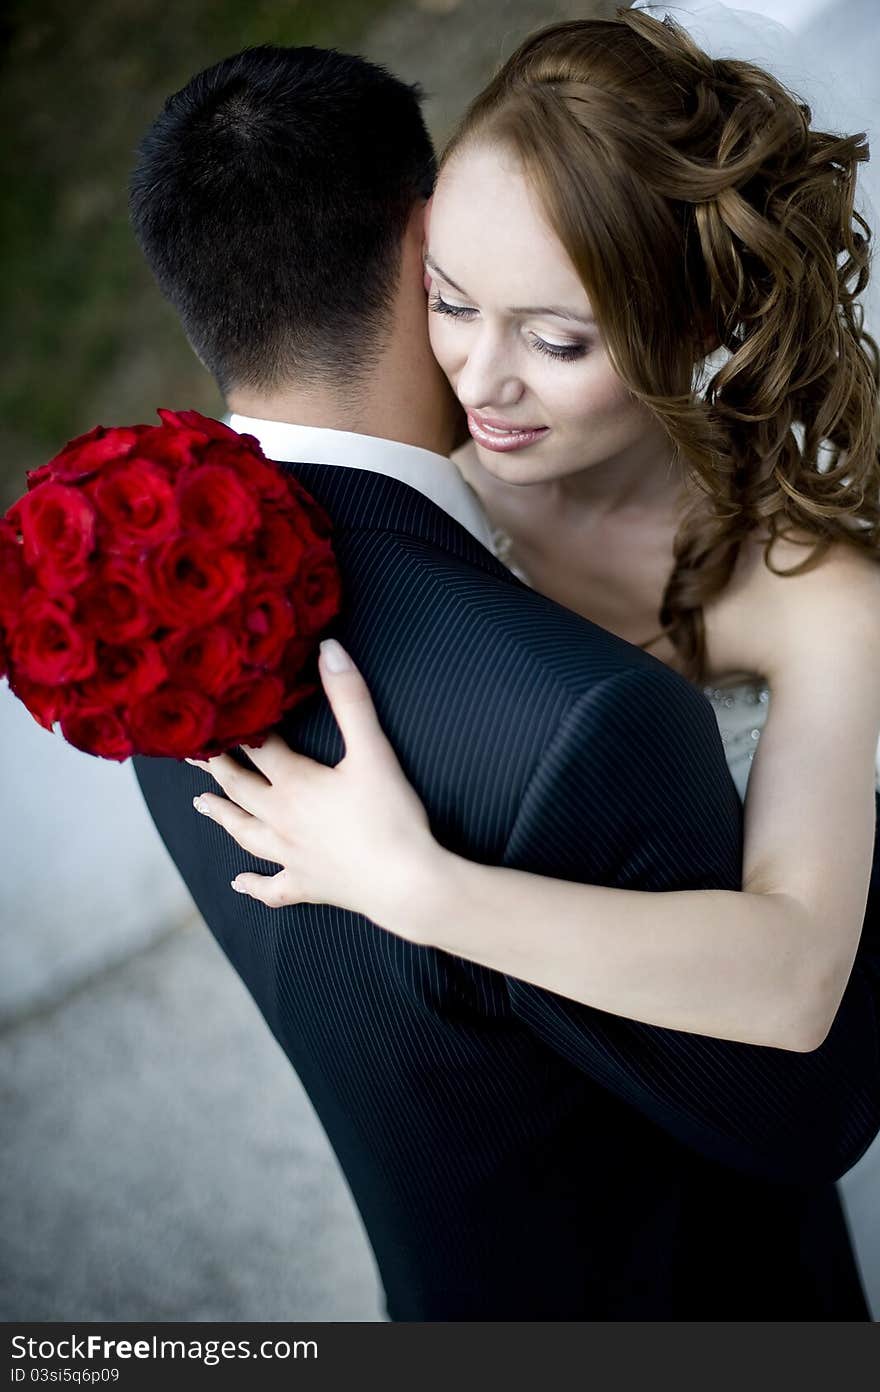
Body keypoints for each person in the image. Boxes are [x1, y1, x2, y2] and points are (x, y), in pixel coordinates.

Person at [129, 28, 878, 1321]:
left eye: (559, 340)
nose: (481, 380)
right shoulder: (426, 486)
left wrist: (417, 887)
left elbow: (801, 980)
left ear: (681, 322)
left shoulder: (814, 589)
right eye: (454, 302)